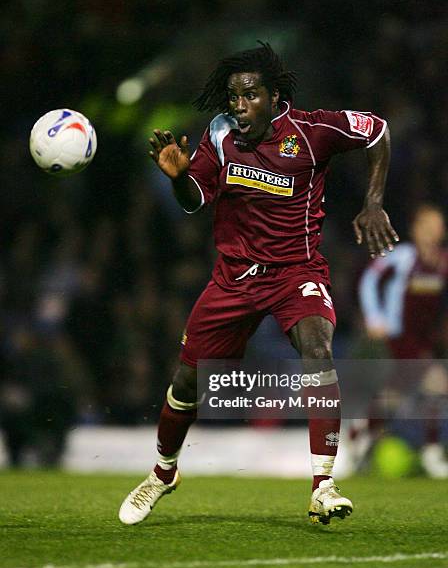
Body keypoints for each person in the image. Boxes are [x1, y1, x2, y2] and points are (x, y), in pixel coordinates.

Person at [119, 42, 398, 525]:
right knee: (187, 382)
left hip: (296, 272)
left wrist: (373, 201)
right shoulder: (220, 134)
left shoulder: (311, 131)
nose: (239, 105)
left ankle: (323, 485)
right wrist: (179, 178)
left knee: (318, 350)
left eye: (249, 95)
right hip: (233, 279)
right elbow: (195, 201)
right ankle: (163, 474)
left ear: (273, 96)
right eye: (233, 96)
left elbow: (378, 131)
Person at [358, 203, 448, 476]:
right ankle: (431, 451)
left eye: (436, 227)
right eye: (426, 226)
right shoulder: (403, 256)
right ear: (415, 229)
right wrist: (374, 317)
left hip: (423, 340)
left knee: (394, 397)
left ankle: (362, 438)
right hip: (398, 337)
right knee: (435, 387)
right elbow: (369, 279)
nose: (431, 232)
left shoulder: (443, 262)